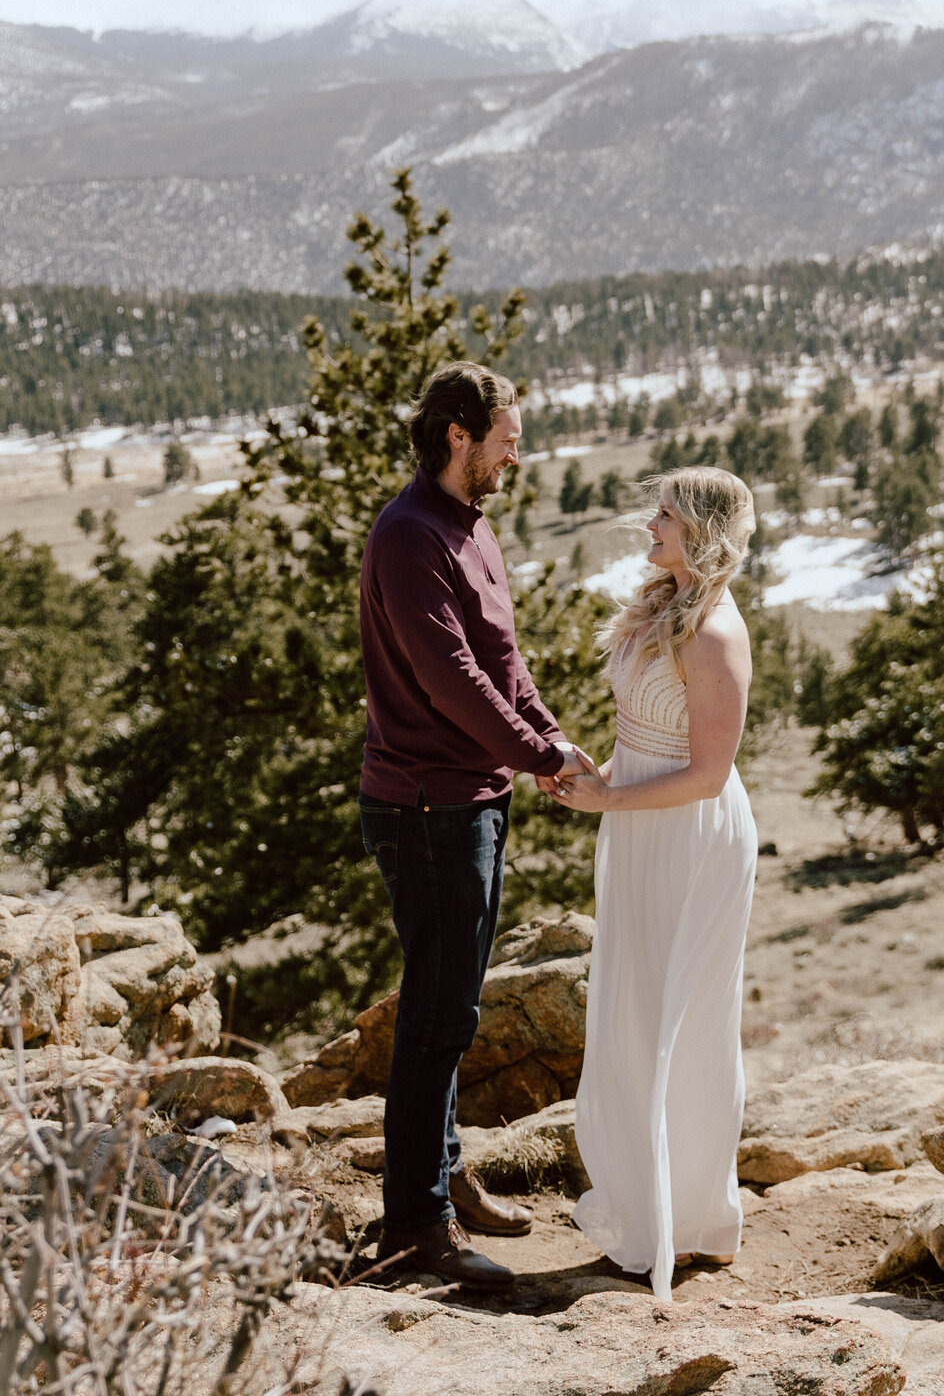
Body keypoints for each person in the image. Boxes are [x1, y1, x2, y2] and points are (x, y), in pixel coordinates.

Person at [358, 361, 589, 1290]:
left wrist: (551, 740)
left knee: (451, 1005)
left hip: (470, 801)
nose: (516, 456)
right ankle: (414, 1228)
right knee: (436, 1014)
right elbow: (452, 678)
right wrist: (538, 759)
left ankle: (446, 1179)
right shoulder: (410, 537)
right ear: (459, 435)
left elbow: (503, 661)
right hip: (425, 808)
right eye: (508, 438)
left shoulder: (469, 527)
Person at [553, 466, 758, 1300]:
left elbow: (708, 773)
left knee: (685, 1021)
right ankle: (643, 1210)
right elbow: (645, 732)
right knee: (632, 1010)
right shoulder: (658, 605)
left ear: (703, 528)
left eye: (666, 515)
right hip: (637, 824)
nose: (651, 524)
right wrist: (593, 772)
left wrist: (609, 796)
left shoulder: (714, 633)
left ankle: (695, 1217)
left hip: (690, 839)